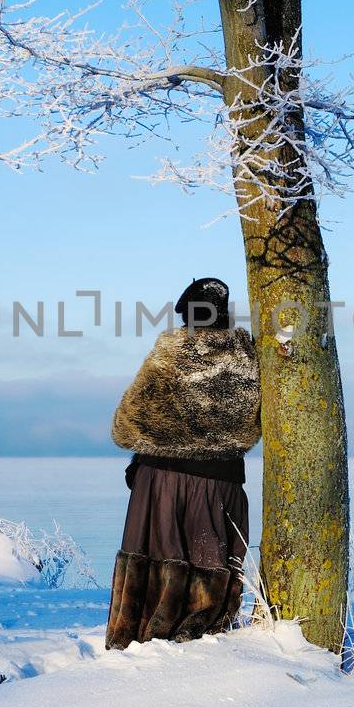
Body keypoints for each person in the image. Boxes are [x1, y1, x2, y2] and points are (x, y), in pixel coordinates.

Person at [105, 277, 261, 648]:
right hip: (222, 484)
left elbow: (128, 420)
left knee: (156, 560)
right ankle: (203, 640)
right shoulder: (249, 357)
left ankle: (141, 644)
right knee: (213, 563)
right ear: (225, 314)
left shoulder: (172, 353)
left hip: (162, 483)